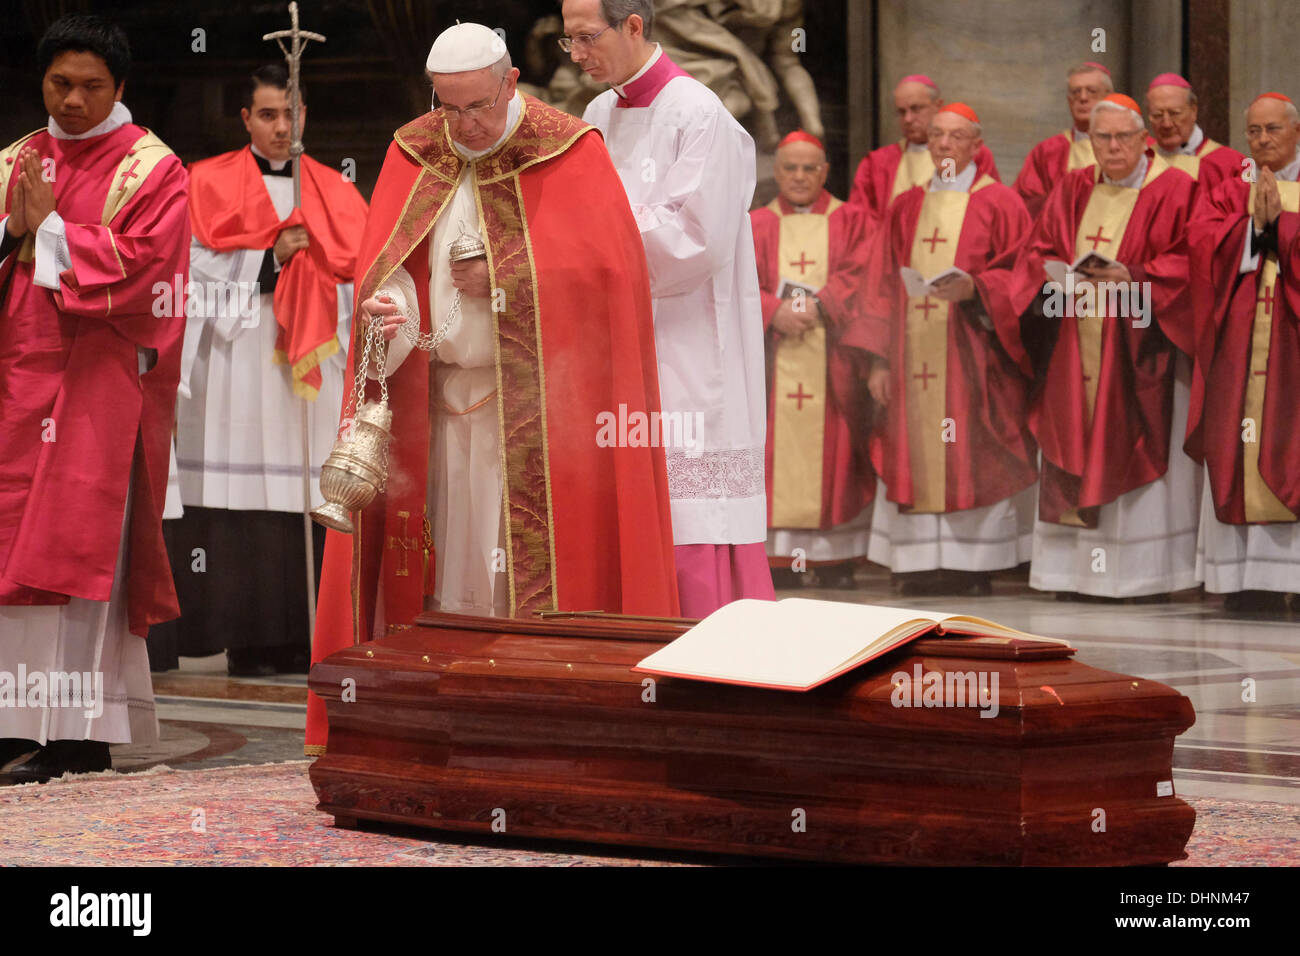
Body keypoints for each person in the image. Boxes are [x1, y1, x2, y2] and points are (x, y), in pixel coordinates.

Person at [305, 22, 679, 755]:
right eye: (450, 109)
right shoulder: (416, 148)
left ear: (511, 83)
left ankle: (541, 724)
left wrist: (507, 281)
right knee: (450, 574)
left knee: (515, 576)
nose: (465, 125)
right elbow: (390, 268)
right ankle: (442, 721)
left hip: (542, 422)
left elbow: (612, 282)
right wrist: (390, 308)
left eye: (477, 106)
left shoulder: (571, 149)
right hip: (434, 406)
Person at [0, 15, 189, 782]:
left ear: (120, 88)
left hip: (94, 383)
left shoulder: (153, 169)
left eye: (91, 87)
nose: (72, 101)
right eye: (59, 84)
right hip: (14, 377)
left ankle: (76, 735)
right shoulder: (16, 157)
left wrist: (48, 234)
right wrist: (13, 229)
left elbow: (148, 272)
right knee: (10, 552)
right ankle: (10, 723)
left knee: (72, 555)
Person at [565, 0, 776, 616]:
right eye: (568, 41)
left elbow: (695, 237)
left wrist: (591, 233)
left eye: (585, 38)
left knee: (688, 494)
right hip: (617, 334)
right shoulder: (598, 112)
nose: (576, 54)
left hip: (687, 340)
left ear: (633, 26)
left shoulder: (699, 112)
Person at [156, 64, 368, 676]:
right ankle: (245, 638)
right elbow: (181, 272)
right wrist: (266, 261)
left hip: (312, 377)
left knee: (308, 498)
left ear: (307, 116)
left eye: (292, 114)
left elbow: (367, 274)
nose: (282, 127)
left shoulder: (337, 189)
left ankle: (312, 638)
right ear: (246, 119)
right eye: (269, 115)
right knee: (241, 508)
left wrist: (322, 272)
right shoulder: (205, 181)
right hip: (235, 371)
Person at [999, 94, 1200, 600]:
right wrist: (1056, 279)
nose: (1112, 147)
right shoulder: (1072, 188)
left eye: (1121, 137)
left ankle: (1141, 577)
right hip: (1073, 345)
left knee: (1131, 444)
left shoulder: (1176, 189)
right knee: (1070, 435)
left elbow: (1190, 264)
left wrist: (1130, 277)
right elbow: (1038, 253)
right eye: (1101, 138)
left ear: (1143, 139)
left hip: (1139, 351)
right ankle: (1070, 576)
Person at [855, 104, 1037, 596]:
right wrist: (878, 360)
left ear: (977, 145)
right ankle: (916, 563)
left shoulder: (1001, 202)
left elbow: (1022, 276)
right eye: (937, 136)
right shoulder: (906, 206)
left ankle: (970, 564)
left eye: (956, 137)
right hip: (911, 357)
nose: (945, 145)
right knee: (912, 449)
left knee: (970, 452)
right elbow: (878, 286)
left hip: (974, 356)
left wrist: (978, 289)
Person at [1186, 92, 1300, 612]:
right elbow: (1202, 246)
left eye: (1272, 130)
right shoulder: (1232, 190)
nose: (1261, 140)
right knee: (1238, 444)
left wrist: (1282, 228)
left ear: (1296, 132)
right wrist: (1253, 227)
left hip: (1292, 348)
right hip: (1239, 345)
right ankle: (1243, 582)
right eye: (1252, 131)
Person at [750, 131, 874, 589]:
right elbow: (736, 284)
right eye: (790, 168)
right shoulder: (755, 223)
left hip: (834, 360)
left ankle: (834, 560)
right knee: (771, 452)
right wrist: (773, 310)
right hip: (770, 359)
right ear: (777, 171)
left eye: (809, 168)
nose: (799, 177)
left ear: (825, 171)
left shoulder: (855, 220)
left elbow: (865, 273)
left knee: (833, 450)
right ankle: (779, 560)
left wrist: (819, 305)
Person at [848, 74, 1000, 225]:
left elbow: (989, 208)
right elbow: (860, 222)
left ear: (938, 106)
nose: (908, 119)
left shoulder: (968, 154)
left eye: (916, 109)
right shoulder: (878, 162)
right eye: (902, 112)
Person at [1013, 62, 1112, 221]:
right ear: (1068, 100)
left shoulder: (1132, 146)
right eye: (1076, 92)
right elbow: (1025, 206)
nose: (1083, 98)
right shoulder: (1047, 152)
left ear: (1108, 97)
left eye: (1091, 91)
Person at [1145, 73, 1244, 197]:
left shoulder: (1233, 163)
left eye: (1174, 113)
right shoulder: (1141, 161)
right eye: (1157, 115)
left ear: (1194, 110)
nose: (1166, 124)